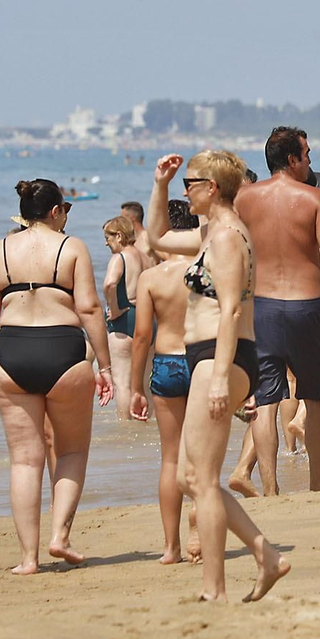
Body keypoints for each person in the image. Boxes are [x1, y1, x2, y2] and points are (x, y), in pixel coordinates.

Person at [146, 152, 290, 603]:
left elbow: (230, 309)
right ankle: (265, 555)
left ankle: (215, 589)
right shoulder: (211, 232)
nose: (185, 190)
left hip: (221, 356)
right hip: (209, 357)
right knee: (191, 478)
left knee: (202, 480)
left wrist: (222, 378)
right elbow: (157, 236)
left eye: (189, 183)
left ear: (212, 188)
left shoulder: (227, 236)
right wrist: (160, 184)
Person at [0, 181, 114, 574]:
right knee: (71, 452)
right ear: (55, 211)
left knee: (24, 462)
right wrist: (105, 366)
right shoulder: (72, 247)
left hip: (12, 353)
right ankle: (60, 536)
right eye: (65, 209)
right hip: (63, 351)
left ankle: (28, 559)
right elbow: (89, 308)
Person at [234, 126, 320, 495]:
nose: (310, 161)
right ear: (291, 159)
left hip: (262, 308)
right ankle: (317, 482)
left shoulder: (244, 199)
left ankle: (270, 488)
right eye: (307, 154)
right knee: (314, 398)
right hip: (306, 307)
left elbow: (232, 251)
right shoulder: (316, 198)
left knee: (265, 400)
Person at [129, 199, 197, 563]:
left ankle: (171, 548)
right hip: (201, 360)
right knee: (201, 455)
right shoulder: (206, 269)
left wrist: (135, 387)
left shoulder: (151, 278)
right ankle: (199, 531)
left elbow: (142, 336)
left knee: (170, 459)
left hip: (167, 363)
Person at [101, 215, 147, 423]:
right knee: (144, 384)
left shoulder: (119, 258)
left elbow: (109, 284)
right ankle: (145, 425)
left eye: (108, 238)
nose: (106, 243)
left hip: (125, 320)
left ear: (119, 236)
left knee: (123, 383)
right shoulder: (146, 258)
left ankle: (126, 428)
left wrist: (115, 310)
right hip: (147, 320)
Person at [120, 201, 158, 265]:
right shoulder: (129, 241)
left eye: (123, 219)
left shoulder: (148, 237)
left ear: (132, 218)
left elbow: (167, 258)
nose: (121, 222)